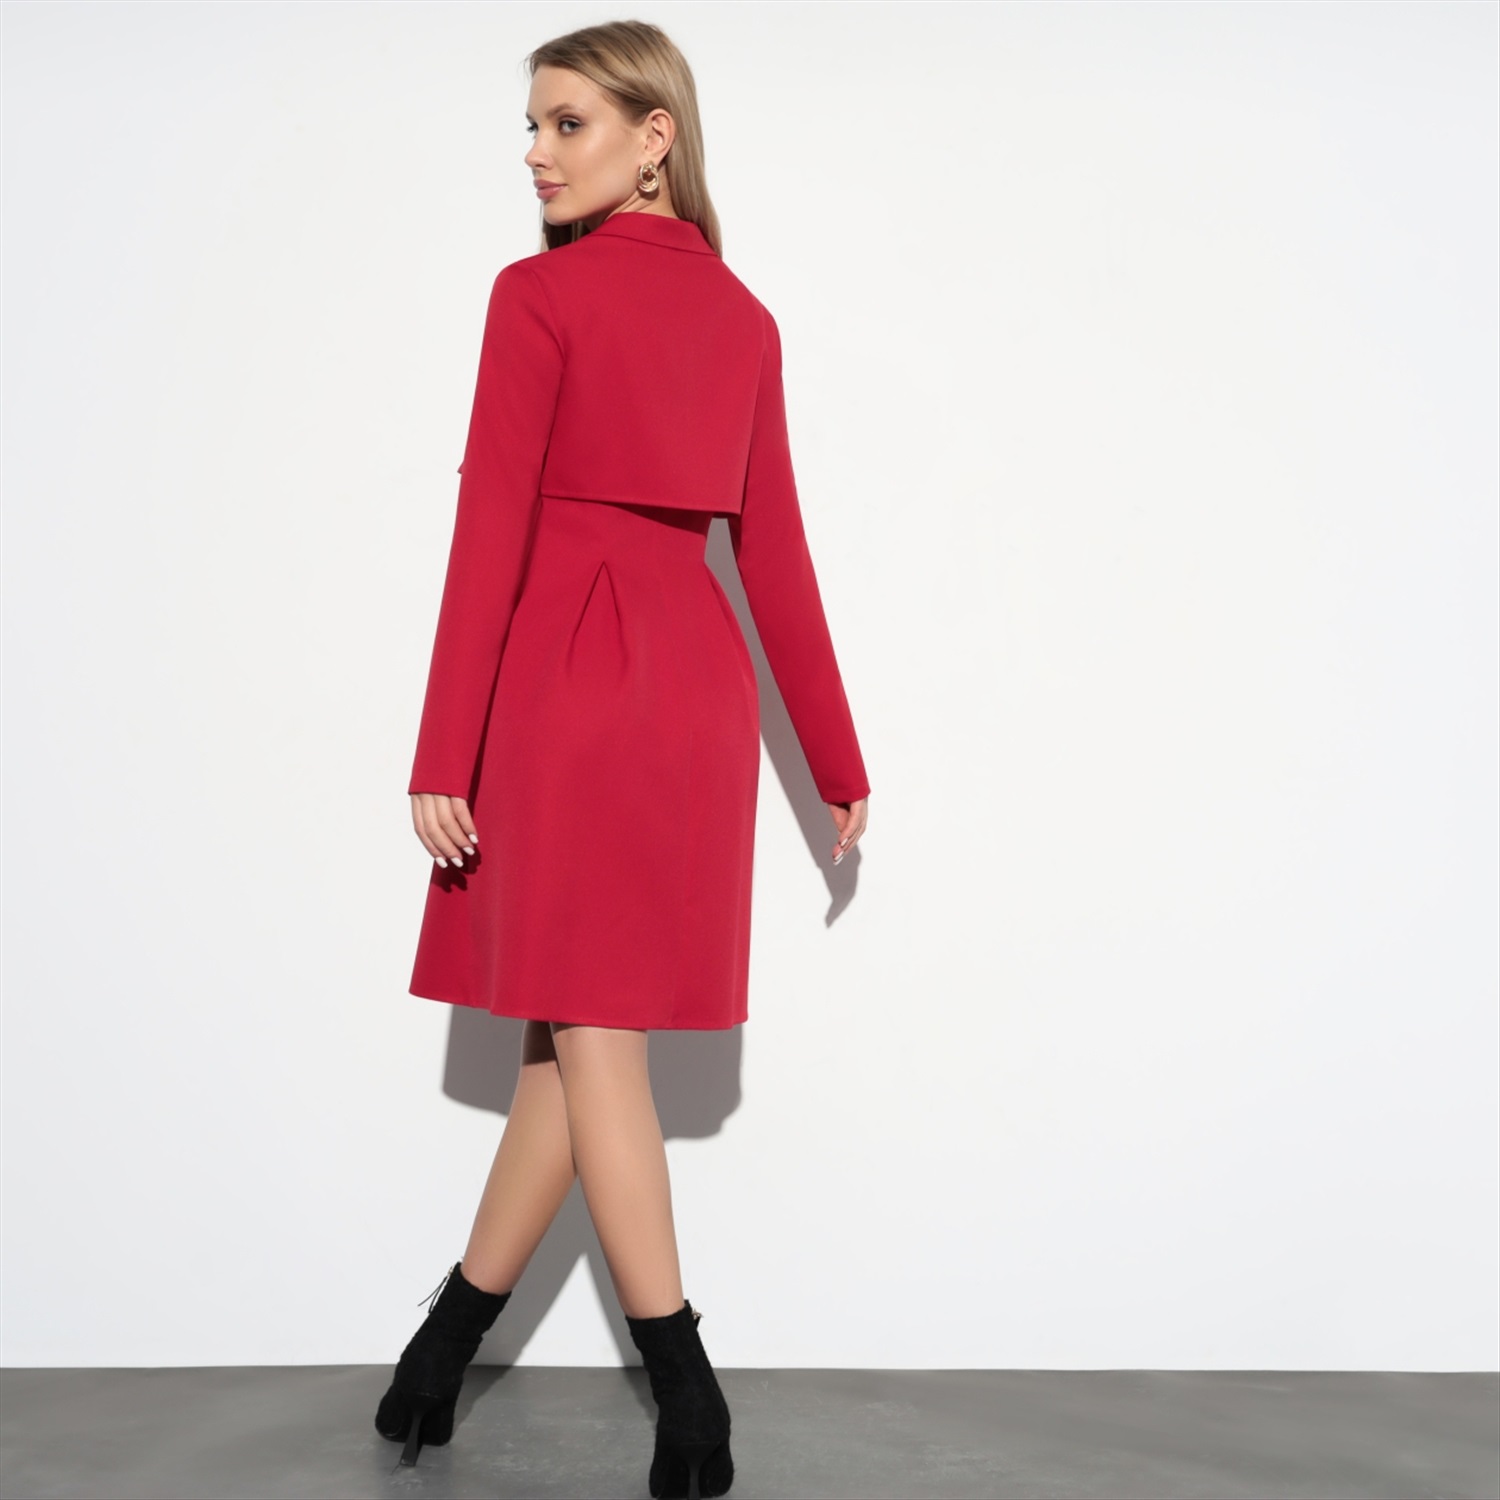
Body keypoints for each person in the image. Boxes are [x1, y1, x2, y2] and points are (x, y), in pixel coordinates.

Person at [374, 19, 870, 1498]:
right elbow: (774, 554)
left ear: (655, 139)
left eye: (566, 122)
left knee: (593, 1041)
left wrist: (442, 747)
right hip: (695, 690)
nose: (536, 152)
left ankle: (685, 1390)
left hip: (570, 689)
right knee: (571, 1040)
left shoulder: (537, 295)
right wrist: (834, 756)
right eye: (532, 126)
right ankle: (439, 1357)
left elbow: (491, 530)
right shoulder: (745, 318)